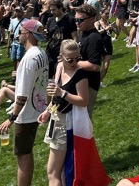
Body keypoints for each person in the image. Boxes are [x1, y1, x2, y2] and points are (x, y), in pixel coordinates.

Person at [0, 19, 49, 186]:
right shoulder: (41, 53)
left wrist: (11, 118)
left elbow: (22, 96)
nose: (18, 35)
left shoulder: (29, 58)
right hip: (37, 108)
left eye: (20, 32)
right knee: (27, 152)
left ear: (28, 34)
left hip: (26, 114)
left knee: (23, 155)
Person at [38, 40, 89, 186]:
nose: (74, 62)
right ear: (61, 56)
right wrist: (48, 111)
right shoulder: (59, 66)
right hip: (56, 118)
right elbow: (56, 95)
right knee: (59, 171)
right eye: (70, 59)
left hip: (67, 124)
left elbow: (83, 100)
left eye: (78, 58)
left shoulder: (80, 74)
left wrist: (63, 93)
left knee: (52, 172)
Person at [74, 3, 104, 117]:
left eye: (81, 20)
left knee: (83, 118)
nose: (77, 23)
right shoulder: (84, 33)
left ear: (92, 19)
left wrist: (71, 61)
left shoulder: (94, 38)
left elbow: (95, 66)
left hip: (89, 85)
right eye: (76, 19)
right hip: (81, 83)